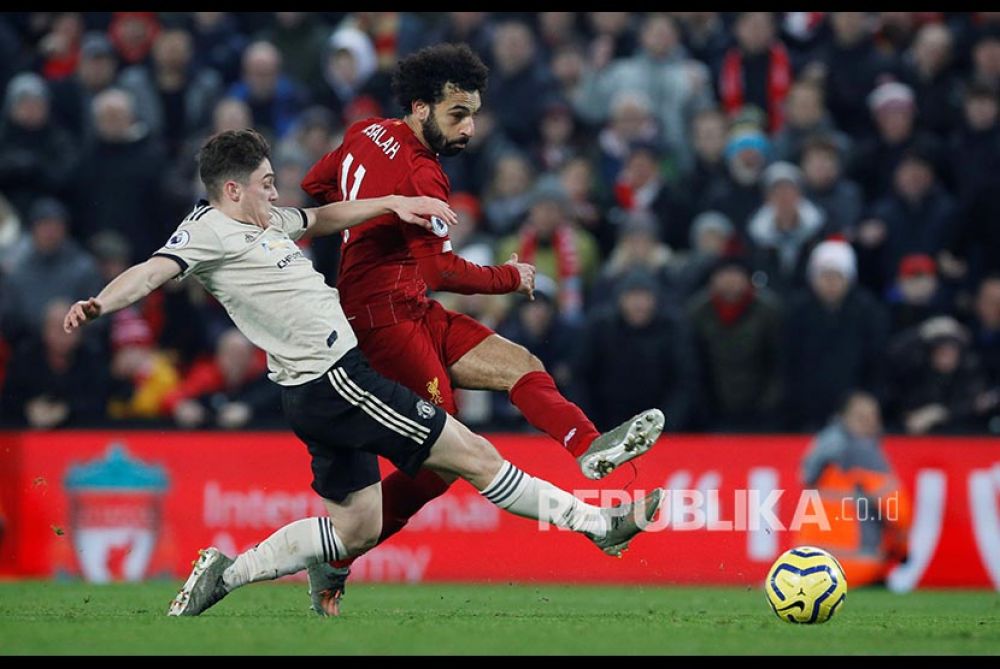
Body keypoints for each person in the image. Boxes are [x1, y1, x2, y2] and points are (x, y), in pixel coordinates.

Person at [63, 129, 664, 617]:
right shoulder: (205, 234)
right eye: (267, 184)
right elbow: (150, 271)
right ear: (232, 188)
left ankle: (228, 572)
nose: (277, 194)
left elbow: (324, 218)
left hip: (309, 392)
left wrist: (392, 203)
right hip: (337, 380)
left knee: (354, 531)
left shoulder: (264, 222)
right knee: (475, 455)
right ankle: (599, 524)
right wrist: (98, 303)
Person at [301, 44, 665, 614]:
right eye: (457, 115)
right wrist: (510, 276)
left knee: (522, 366)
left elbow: (317, 185)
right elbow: (440, 269)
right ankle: (336, 557)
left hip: (410, 308)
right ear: (421, 107)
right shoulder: (424, 174)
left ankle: (590, 448)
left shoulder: (364, 131)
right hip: (383, 322)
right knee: (444, 458)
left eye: (473, 113)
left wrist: (369, 215)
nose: (469, 128)